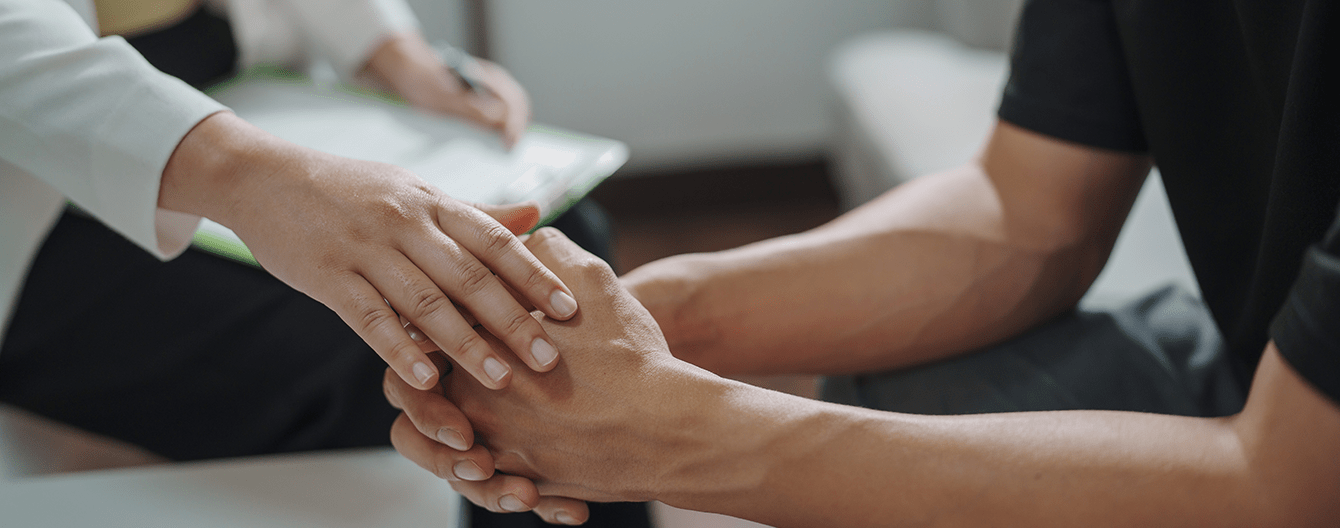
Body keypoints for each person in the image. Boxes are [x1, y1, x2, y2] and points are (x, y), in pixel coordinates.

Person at [384, 0, 1340, 525]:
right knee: (904, 392)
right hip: (1268, 374)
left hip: (1301, 456)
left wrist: (677, 435)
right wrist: (667, 318)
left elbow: (1290, 487)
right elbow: (1031, 213)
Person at [0, 0, 574, 464]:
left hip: (228, 64)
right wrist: (250, 178)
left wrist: (393, 50)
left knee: (558, 241)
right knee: (379, 349)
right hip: (35, 172)